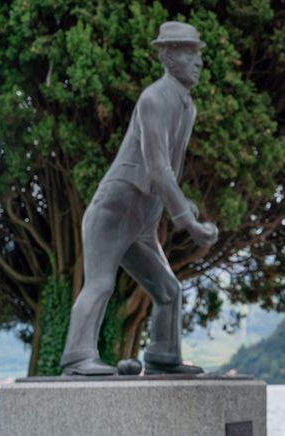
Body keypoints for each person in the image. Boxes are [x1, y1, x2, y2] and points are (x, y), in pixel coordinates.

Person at [60, 22, 218, 376]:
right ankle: (76, 357)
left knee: (168, 290)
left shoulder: (184, 104)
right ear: (168, 56)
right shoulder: (154, 98)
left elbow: (166, 173)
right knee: (100, 281)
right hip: (117, 205)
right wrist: (187, 221)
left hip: (144, 211)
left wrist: (180, 203)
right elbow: (157, 166)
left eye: (197, 53)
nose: (198, 62)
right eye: (190, 53)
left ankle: (163, 356)